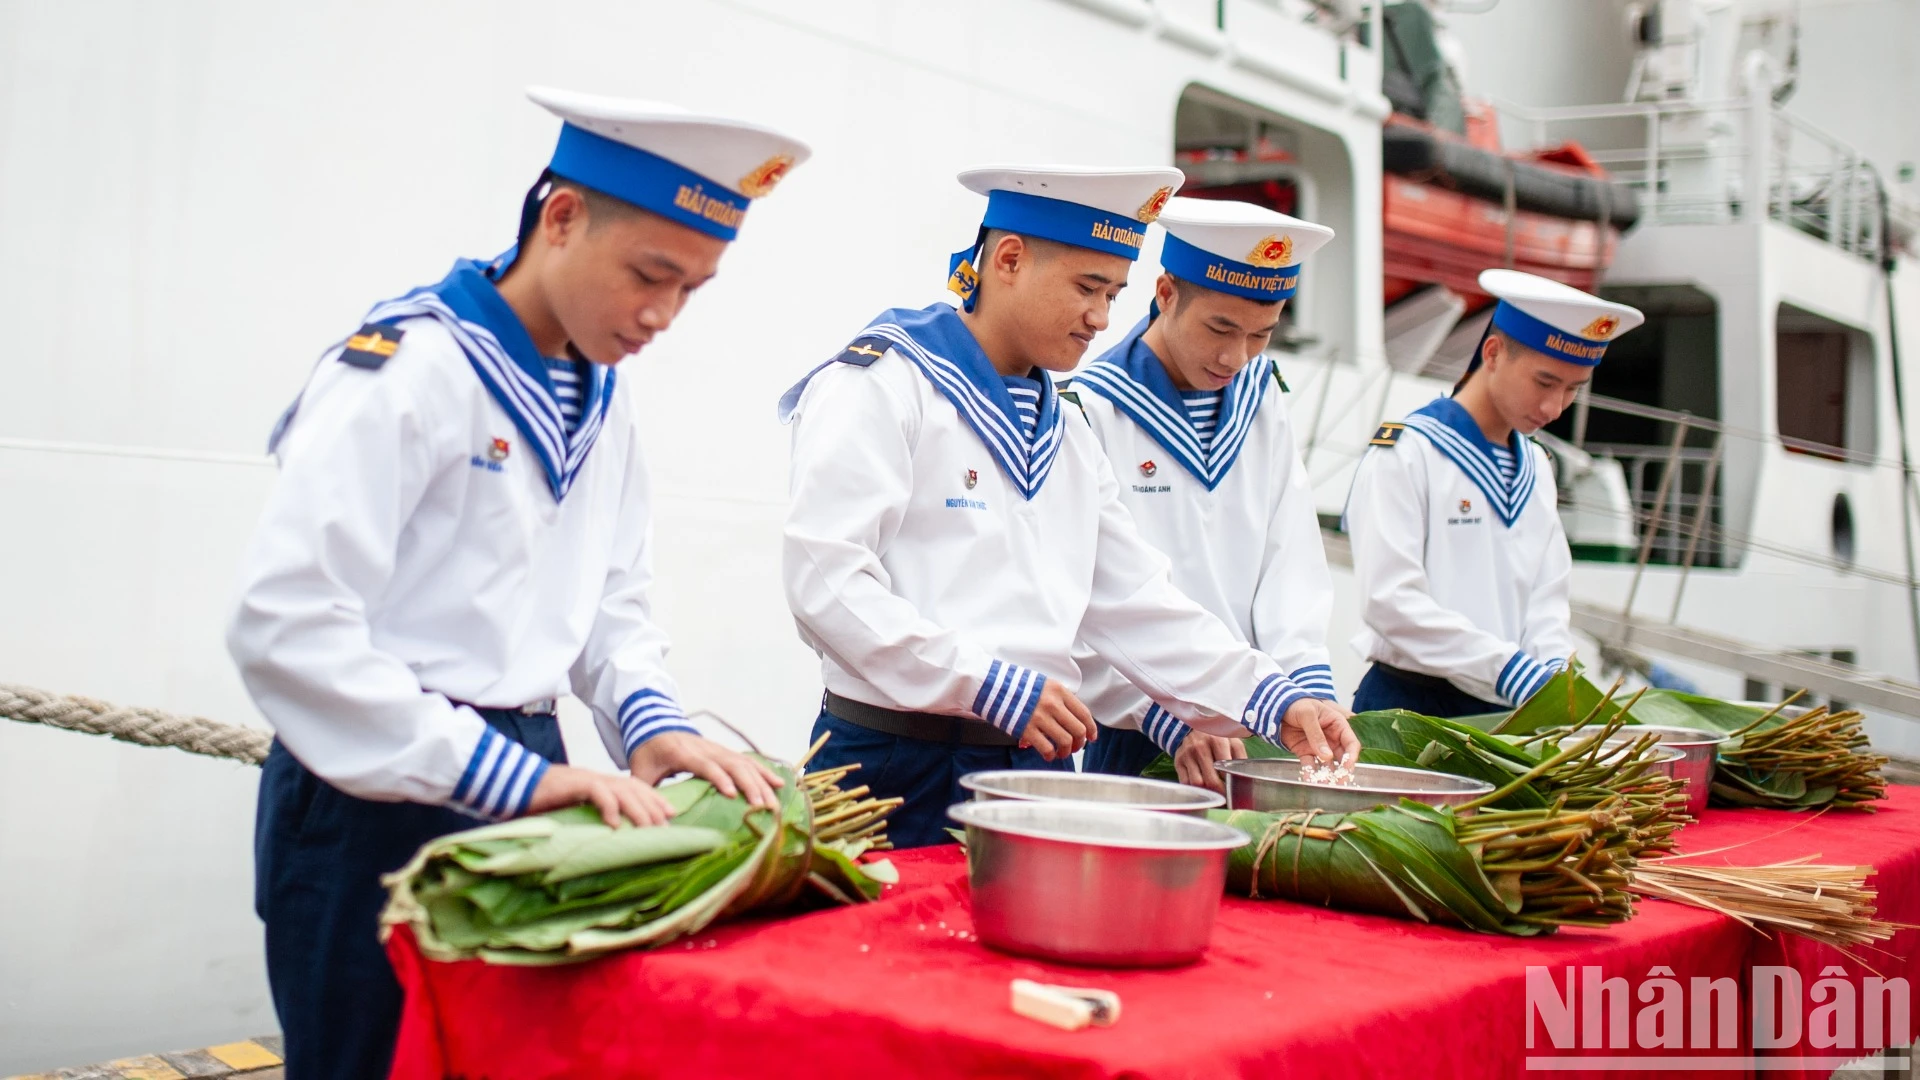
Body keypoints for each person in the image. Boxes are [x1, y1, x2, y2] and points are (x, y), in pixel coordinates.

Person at [226, 87, 805, 1080]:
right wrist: (517, 779)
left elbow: (611, 602)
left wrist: (650, 721)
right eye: (649, 275)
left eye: (692, 290)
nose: (663, 315)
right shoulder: (408, 371)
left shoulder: (597, 395)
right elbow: (289, 630)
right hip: (377, 790)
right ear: (563, 217)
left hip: (534, 766)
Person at [777, 166, 1360, 847]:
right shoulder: (882, 385)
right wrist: (983, 682)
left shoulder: (1068, 433)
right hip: (888, 761)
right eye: (1087, 287)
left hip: (1034, 762)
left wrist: (1271, 698)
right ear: (1010, 260)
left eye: (1114, 292)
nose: (1103, 317)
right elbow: (826, 582)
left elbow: (1139, 605)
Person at [1068, 197, 1339, 789]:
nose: (1234, 357)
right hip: (1140, 735)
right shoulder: (1089, 410)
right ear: (1166, 293)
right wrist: (1170, 715)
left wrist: (1312, 693)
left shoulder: (1261, 400)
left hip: (1264, 723)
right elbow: (1084, 605)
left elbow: (1290, 562)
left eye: (1260, 335)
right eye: (1219, 328)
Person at [1344, 269, 1644, 717]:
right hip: (1411, 707)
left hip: (1514, 709)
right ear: (1494, 352)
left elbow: (1546, 603)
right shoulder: (1407, 453)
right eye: (1544, 382)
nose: (1553, 408)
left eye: (1571, 390)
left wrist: (1554, 680)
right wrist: (1508, 670)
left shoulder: (1538, 469)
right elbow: (1389, 601)